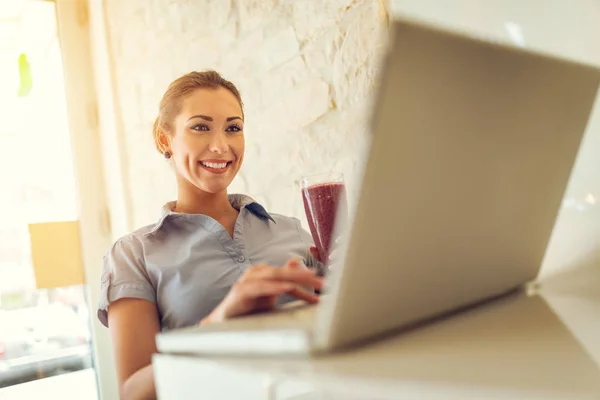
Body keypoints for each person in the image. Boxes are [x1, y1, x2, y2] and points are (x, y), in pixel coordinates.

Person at [97, 70, 324, 400]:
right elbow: (132, 393)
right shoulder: (134, 255)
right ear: (164, 139)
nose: (220, 146)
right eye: (200, 127)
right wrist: (218, 323)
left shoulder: (291, 230)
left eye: (233, 128)